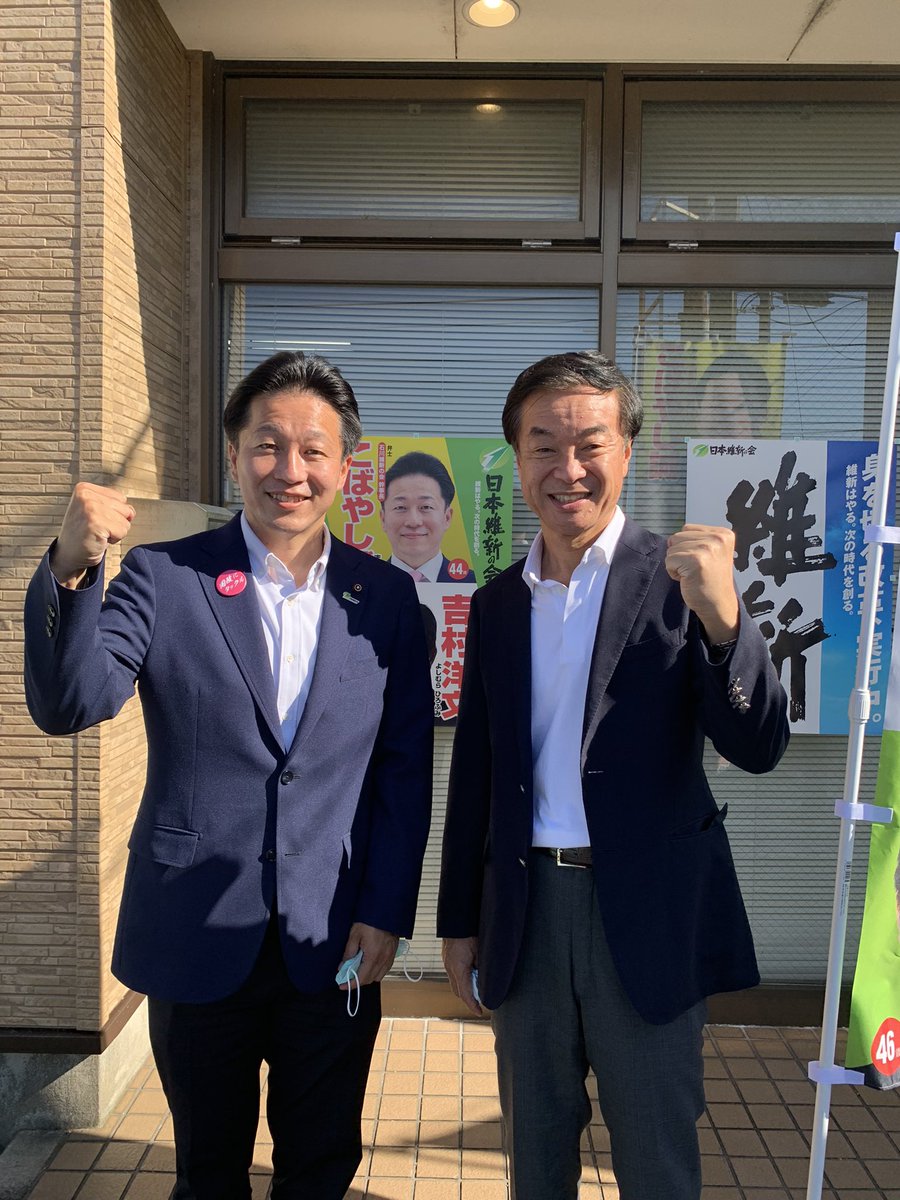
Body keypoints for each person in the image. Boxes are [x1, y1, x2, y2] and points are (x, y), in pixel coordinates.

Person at [24, 350, 433, 1200]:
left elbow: (402, 772)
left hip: (333, 936)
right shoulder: (165, 576)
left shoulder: (388, 599)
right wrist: (70, 568)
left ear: (345, 464)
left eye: (314, 450)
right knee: (207, 1173)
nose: (291, 471)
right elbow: (72, 704)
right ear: (234, 454)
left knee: (320, 1166)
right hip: (194, 932)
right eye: (267, 445)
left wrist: (387, 910)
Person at [437, 351, 789, 1200]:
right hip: (526, 912)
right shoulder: (497, 603)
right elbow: (476, 771)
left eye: (590, 444)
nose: (568, 469)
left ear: (627, 451)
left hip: (648, 914)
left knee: (656, 1160)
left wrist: (725, 619)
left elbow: (759, 744)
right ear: (517, 459)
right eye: (543, 446)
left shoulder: (680, 582)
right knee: (536, 1158)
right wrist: (457, 920)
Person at [380, 450, 476, 583]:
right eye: (400, 507)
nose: (413, 522)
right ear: (383, 518)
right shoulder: (364, 582)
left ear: (447, 517)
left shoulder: (475, 584)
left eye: (426, 507)